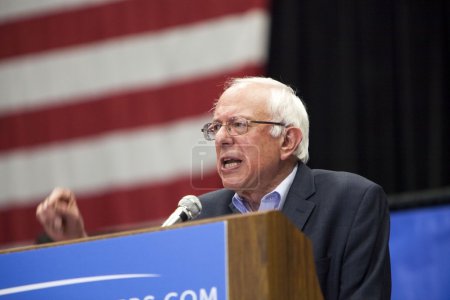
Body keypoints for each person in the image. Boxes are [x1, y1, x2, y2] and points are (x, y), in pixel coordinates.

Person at [36, 77, 391, 300]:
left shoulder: (351, 201)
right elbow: (146, 288)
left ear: (287, 141)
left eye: (238, 124)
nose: (221, 138)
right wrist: (74, 244)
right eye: (216, 128)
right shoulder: (199, 214)